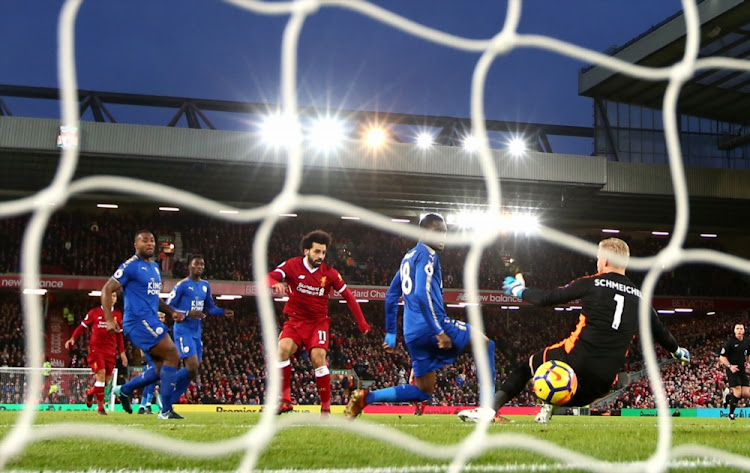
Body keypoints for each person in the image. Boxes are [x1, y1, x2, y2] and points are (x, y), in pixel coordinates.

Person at [458, 237, 691, 424]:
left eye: (599, 258)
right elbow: (660, 331)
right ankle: (549, 408)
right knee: (577, 390)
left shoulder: (592, 282)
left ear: (606, 260)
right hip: (603, 381)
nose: (597, 263)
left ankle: (488, 411)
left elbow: (548, 298)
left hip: (576, 360)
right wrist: (678, 351)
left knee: (525, 367)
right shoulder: (640, 296)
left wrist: (521, 291)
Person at [345, 213, 498, 419]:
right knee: (486, 345)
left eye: (445, 233)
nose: (443, 237)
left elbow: (391, 294)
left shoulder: (407, 257)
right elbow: (420, 293)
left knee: (423, 390)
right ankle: (488, 410)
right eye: (438, 232)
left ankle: (367, 398)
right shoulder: (428, 254)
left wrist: (391, 333)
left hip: (412, 335)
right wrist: (439, 331)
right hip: (432, 326)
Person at [268, 230, 370, 419]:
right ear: (306, 251)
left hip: (318, 323)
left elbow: (349, 297)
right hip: (296, 321)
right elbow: (270, 276)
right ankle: (285, 400)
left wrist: (362, 323)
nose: (321, 256)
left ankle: (325, 408)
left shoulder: (330, 273)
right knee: (282, 349)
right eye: (317, 252)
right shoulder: (292, 265)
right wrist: (275, 283)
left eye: (323, 252)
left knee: (318, 357)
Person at [103, 229, 191, 420]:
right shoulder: (130, 266)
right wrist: (109, 319)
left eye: (152, 240)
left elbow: (154, 298)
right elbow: (107, 289)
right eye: (145, 241)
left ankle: (125, 390)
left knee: (160, 369)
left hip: (150, 319)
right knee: (172, 355)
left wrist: (171, 311)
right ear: (136, 245)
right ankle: (166, 410)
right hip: (137, 321)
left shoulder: (155, 268)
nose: (150, 243)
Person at [166, 255, 234, 405]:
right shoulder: (182, 285)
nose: (200, 267)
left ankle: (169, 402)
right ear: (189, 267)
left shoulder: (205, 285)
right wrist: (186, 313)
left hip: (197, 331)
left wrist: (223, 312)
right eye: (196, 264)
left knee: (193, 371)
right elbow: (168, 305)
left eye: (202, 264)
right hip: (183, 330)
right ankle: (166, 387)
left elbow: (210, 307)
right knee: (192, 365)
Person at [65, 292, 128, 415]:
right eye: (110, 295)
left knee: (106, 381)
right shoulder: (94, 313)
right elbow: (82, 326)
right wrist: (73, 338)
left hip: (110, 351)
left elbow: (119, 336)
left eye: (114, 296)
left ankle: (90, 393)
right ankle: (100, 408)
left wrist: (122, 353)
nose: (112, 298)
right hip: (96, 350)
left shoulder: (118, 315)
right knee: (100, 375)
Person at [719, 322, 750, 420]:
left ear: (744, 331)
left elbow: (748, 355)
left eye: (741, 329)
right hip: (732, 369)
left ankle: (728, 396)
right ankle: (731, 415)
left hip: (741, 369)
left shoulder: (747, 342)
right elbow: (722, 357)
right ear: (734, 331)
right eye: (737, 329)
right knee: (737, 392)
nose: (739, 331)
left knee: (746, 393)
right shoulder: (730, 342)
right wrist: (730, 366)